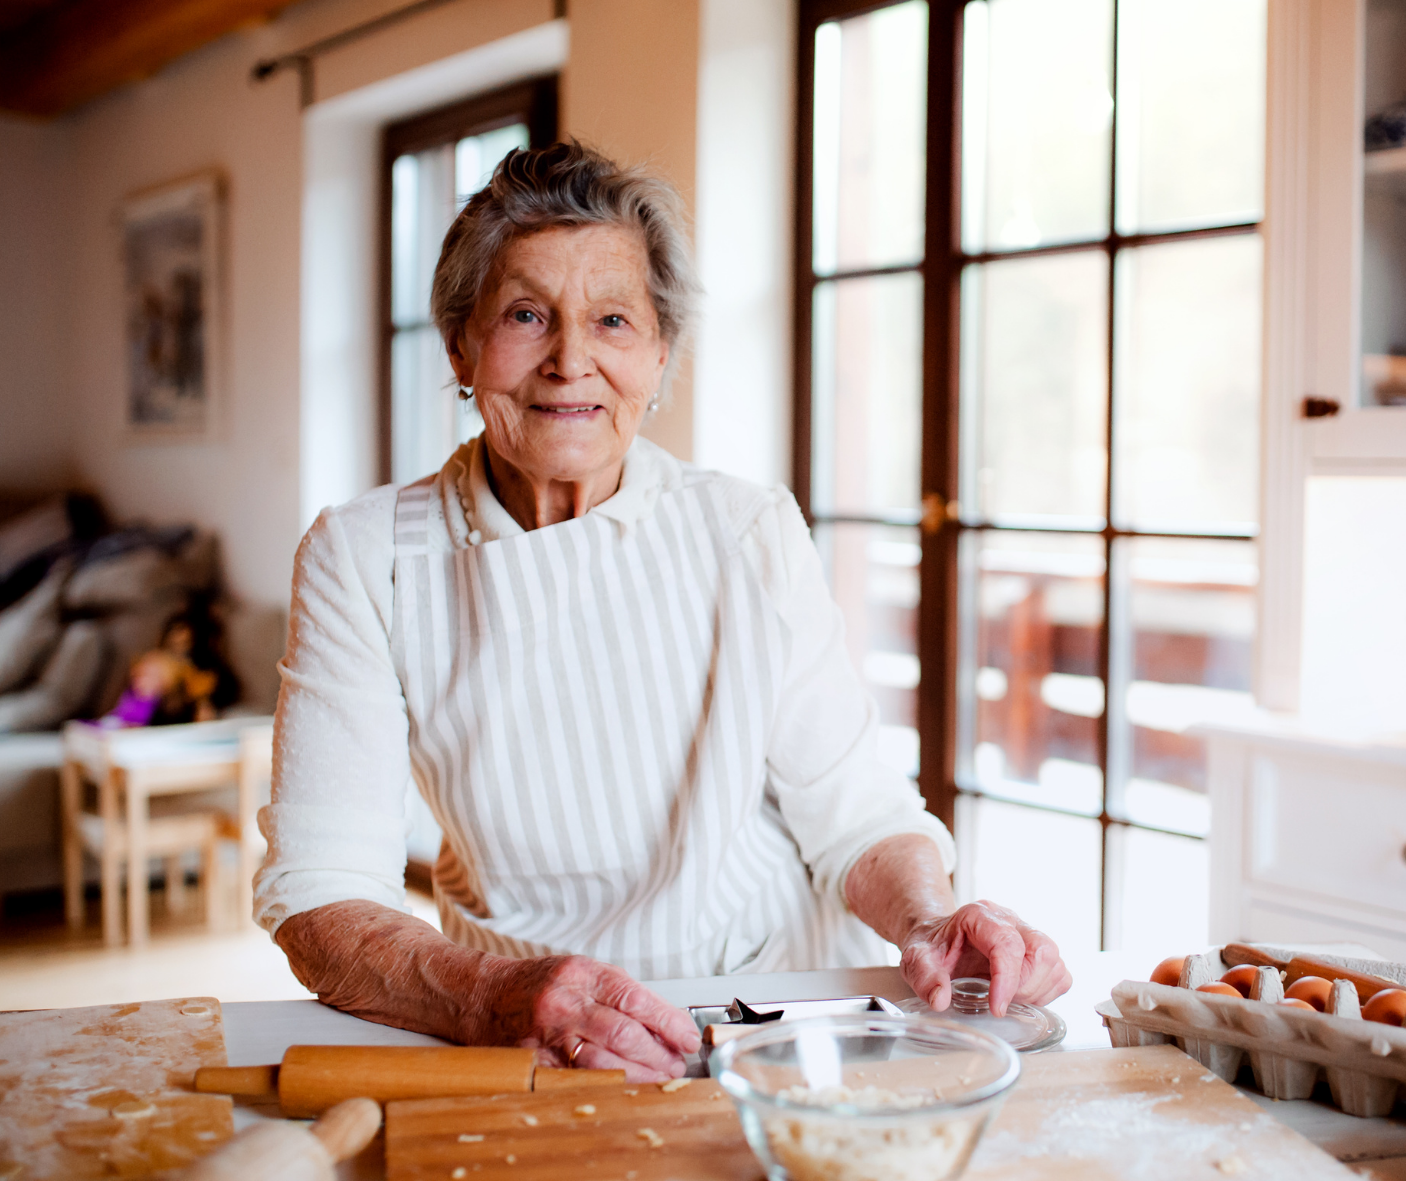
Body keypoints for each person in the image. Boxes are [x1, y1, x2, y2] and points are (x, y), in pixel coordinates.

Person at [255, 140, 1071, 1082]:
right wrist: (489, 995)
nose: (571, 361)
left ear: (659, 353)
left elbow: (853, 813)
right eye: (526, 315)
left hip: (769, 1018)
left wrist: (931, 921)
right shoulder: (365, 556)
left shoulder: (745, 527)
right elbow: (321, 893)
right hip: (515, 1028)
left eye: (611, 319)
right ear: (461, 347)